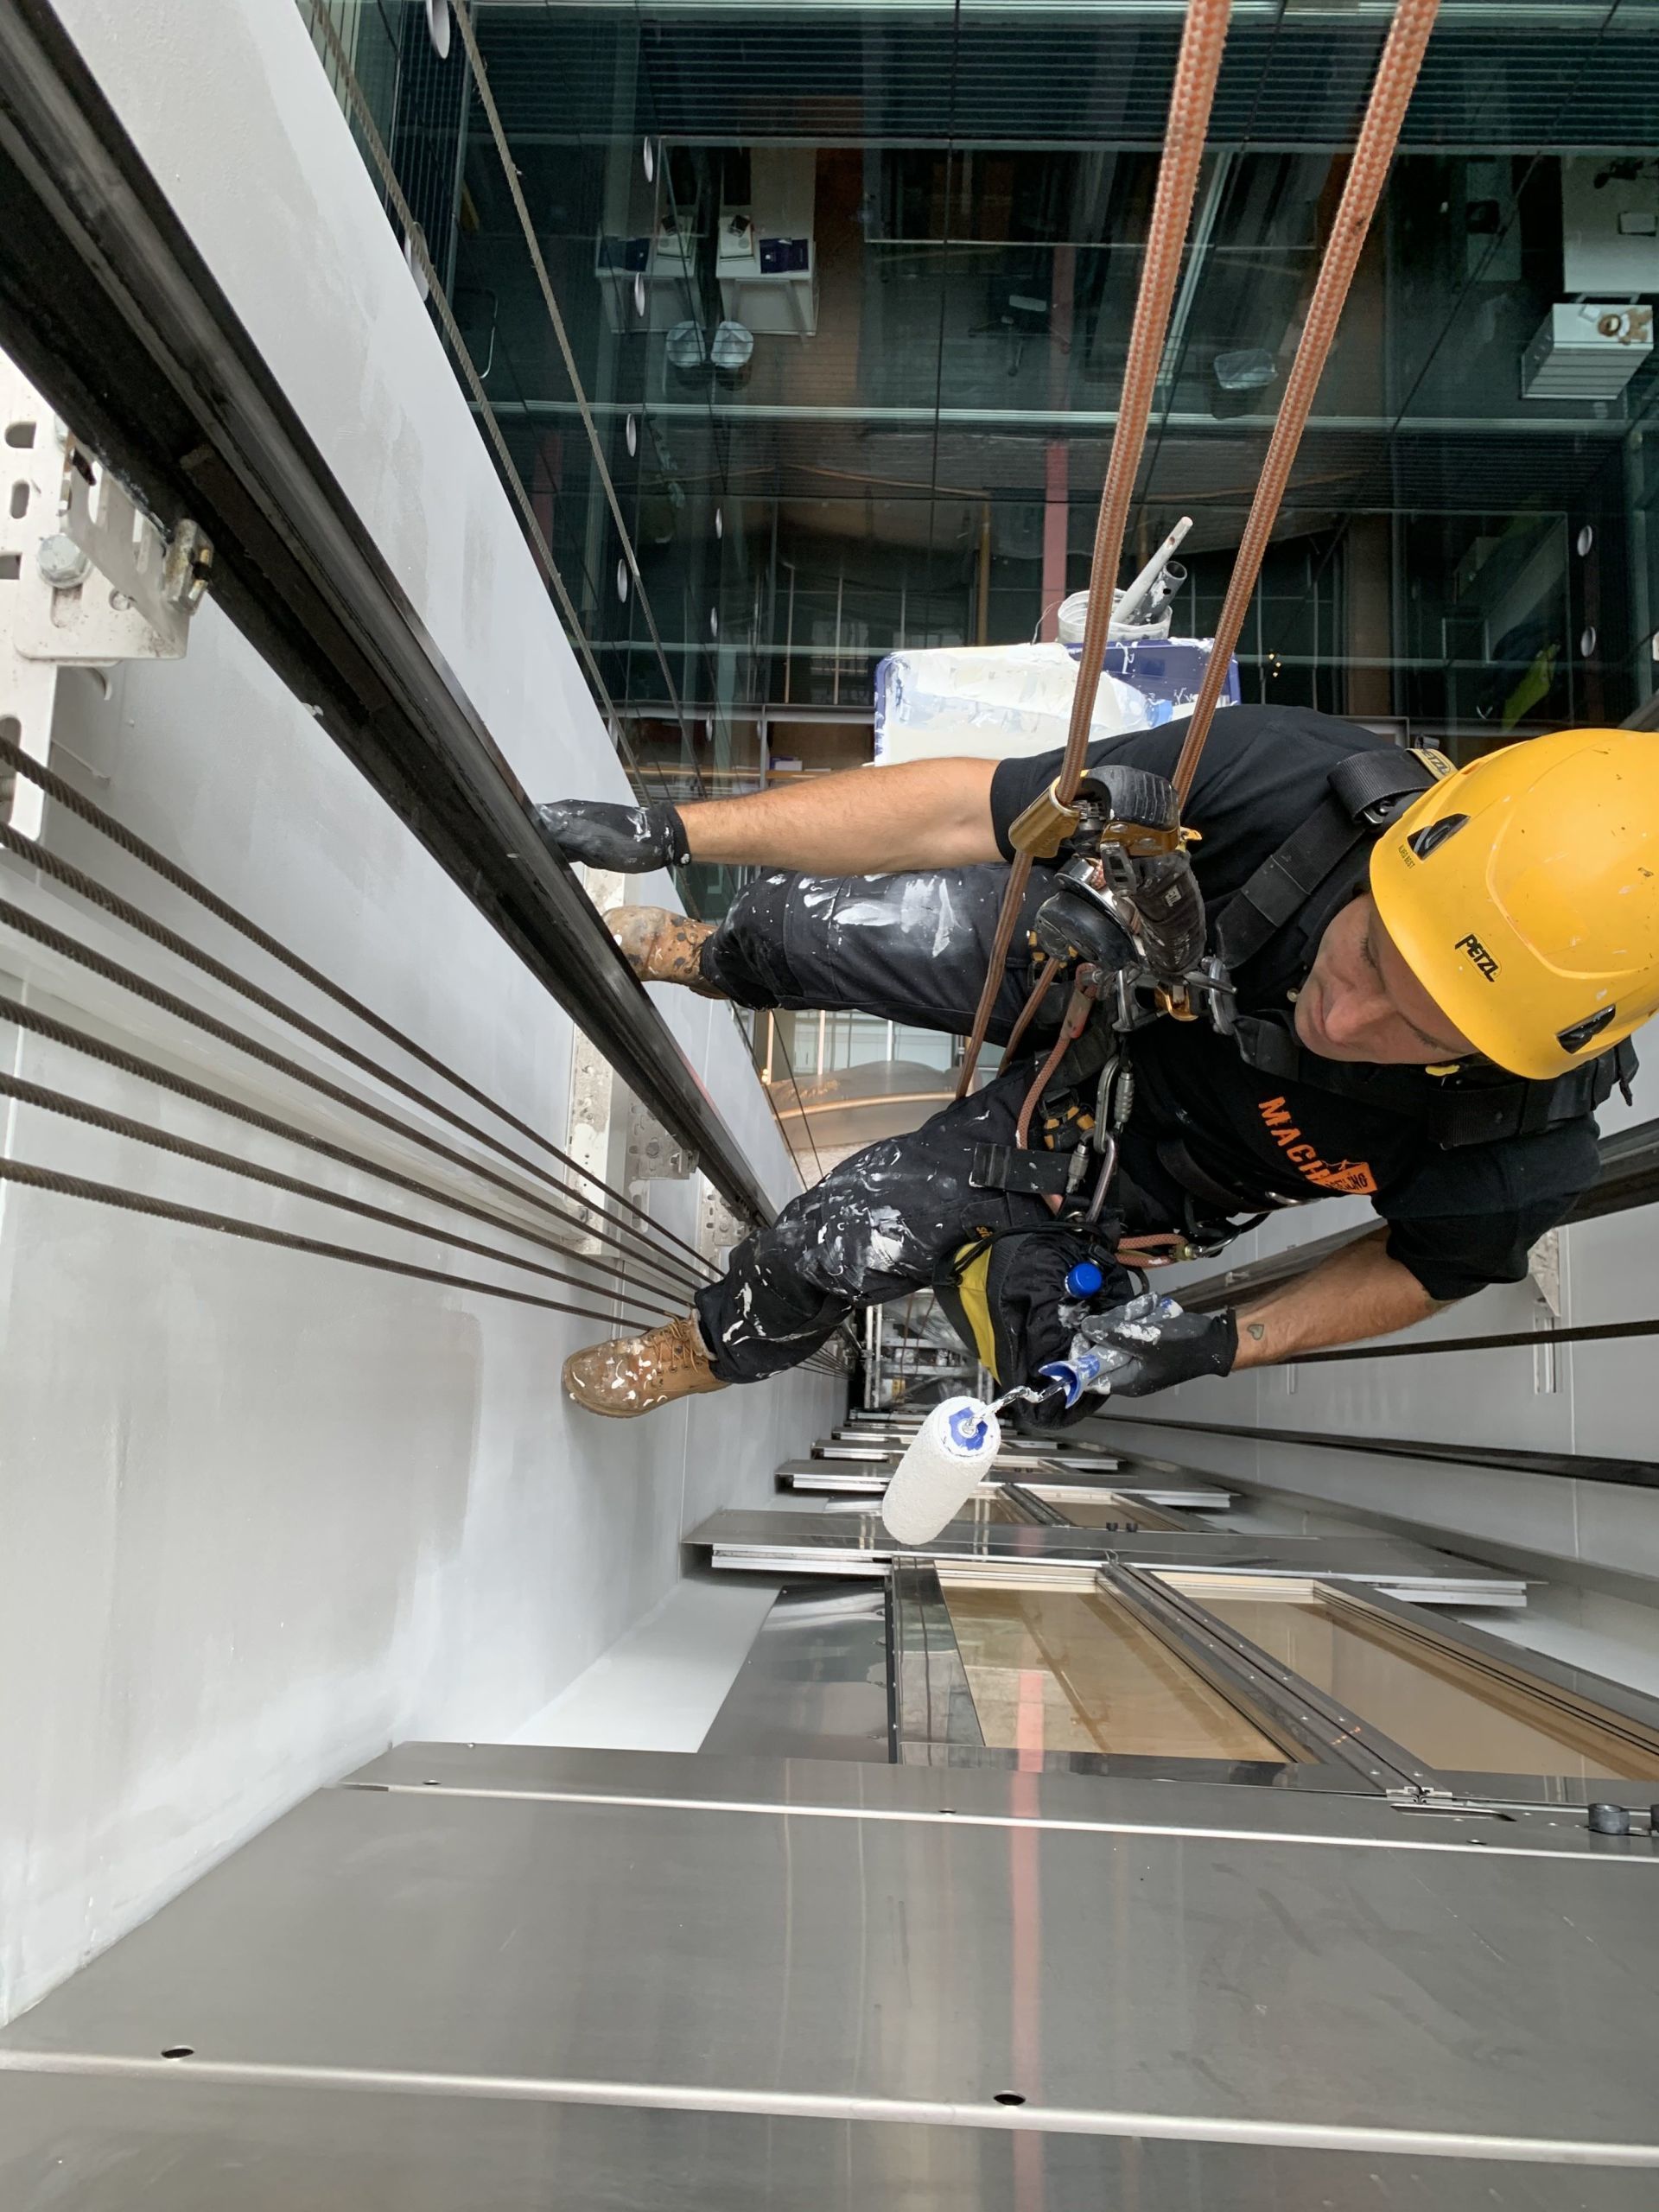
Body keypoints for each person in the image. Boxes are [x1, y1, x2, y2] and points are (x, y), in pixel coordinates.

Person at [537, 707, 1659, 1419]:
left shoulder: (1520, 1144)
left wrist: (1222, 1341)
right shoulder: (1297, 786)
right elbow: (964, 809)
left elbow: (1432, 1268)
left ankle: (704, 1344)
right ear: (1398, 849)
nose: (1352, 1020)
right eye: (1370, 952)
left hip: (1151, 1151)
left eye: (1425, 1030)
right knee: (820, 926)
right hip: (1109, 962)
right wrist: (679, 834)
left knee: (850, 1237)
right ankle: (705, 953)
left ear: (1515, 1054)